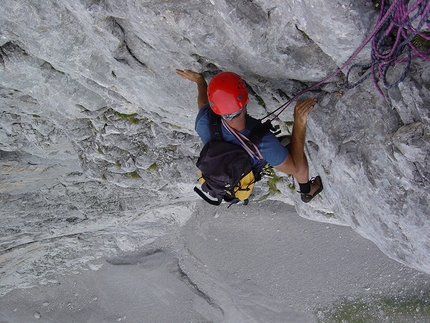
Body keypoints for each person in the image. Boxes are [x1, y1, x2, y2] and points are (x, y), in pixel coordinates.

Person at [176, 69, 323, 203]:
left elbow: (202, 102)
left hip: (227, 168)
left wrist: (200, 81)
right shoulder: (265, 143)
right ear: (247, 100)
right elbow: (296, 167)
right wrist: (299, 121)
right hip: (248, 164)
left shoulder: (205, 121)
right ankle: (306, 192)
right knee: (292, 144)